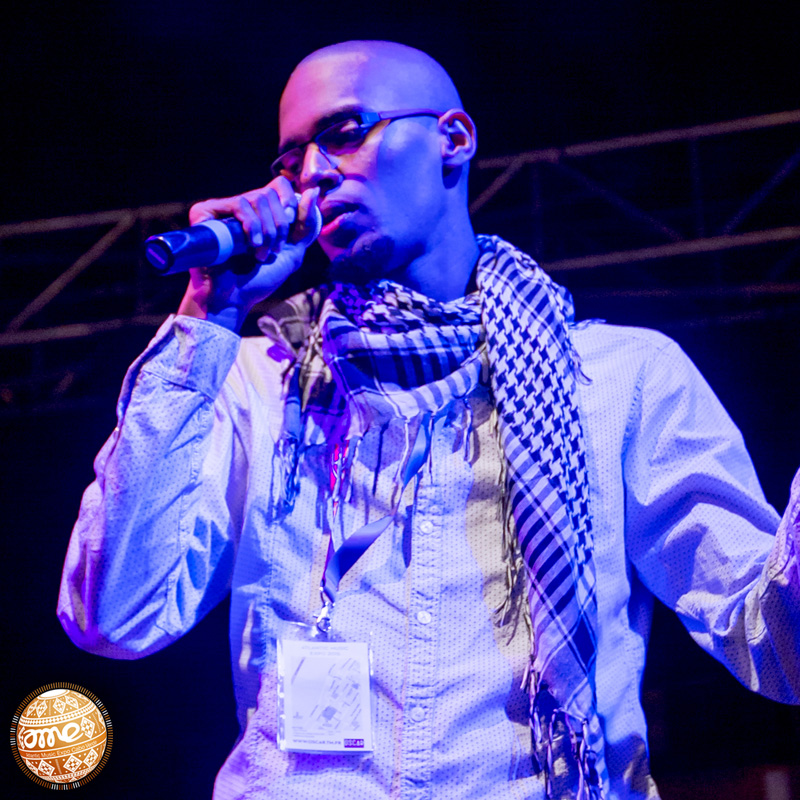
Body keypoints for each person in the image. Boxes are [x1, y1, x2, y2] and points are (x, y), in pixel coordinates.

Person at [58, 40, 800, 800]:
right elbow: (116, 616)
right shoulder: (249, 381)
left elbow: (781, 647)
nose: (311, 174)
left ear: (453, 139)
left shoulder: (618, 379)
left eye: (345, 133)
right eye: (289, 159)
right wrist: (207, 316)